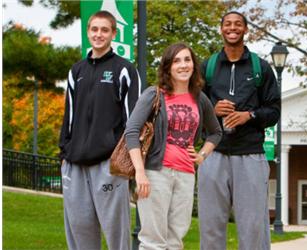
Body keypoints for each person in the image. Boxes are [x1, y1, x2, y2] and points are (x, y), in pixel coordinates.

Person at [125, 42, 222, 250]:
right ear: (168, 66)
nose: (183, 65)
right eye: (177, 60)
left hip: (186, 175)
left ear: (194, 65)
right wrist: (140, 173)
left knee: (175, 241)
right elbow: (131, 131)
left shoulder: (200, 99)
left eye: (187, 60)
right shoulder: (154, 95)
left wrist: (202, 155)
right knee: (153, 241)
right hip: (155, 173)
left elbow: (216, 132)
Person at [58, 10, 141, 250]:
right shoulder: (76, 71)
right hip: (75, 163)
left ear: (114, 33)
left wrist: (127, 162)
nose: (99, 34)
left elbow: (133, 122)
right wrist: (64, 154)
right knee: (80, 233)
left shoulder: (125, 69)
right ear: (88, 32)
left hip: (109, 164)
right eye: (94, 29)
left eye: (105, 30)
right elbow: (69, 117)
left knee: (116, 236)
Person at [198, 11, 281, 250]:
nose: (232, 28)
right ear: (221, 29)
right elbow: (194, 110)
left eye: (237, 24)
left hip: (250, 155)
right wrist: (213, 110)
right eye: (227, 24)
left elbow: (274, 111)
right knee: (211, 225)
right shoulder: (209, 67)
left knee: (253, 226)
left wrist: (249, 116)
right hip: (214, 153)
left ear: (245, 30)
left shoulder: (261, 68)